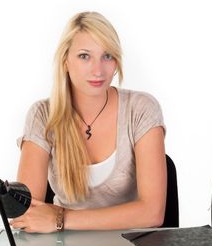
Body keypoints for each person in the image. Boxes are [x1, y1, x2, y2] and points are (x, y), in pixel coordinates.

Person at [11, 12, 167, 233]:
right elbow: (27, 213)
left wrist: (61, 219)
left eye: (108, 56)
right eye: (84, 56)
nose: (98, 70)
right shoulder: (43, 115)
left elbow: (152, 213)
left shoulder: (140, 109)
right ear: (65, 61)